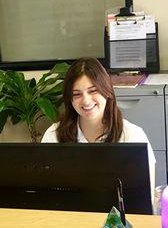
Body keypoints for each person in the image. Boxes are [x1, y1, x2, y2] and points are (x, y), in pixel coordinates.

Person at [41, 57, 156, 203]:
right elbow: (46, 195)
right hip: (69, 218)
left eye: (93, 91)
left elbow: (145, 200)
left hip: (117, 222)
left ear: (106, 92)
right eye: (77, 94)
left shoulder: (132, 135)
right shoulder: (54, 135)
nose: (86, 101)